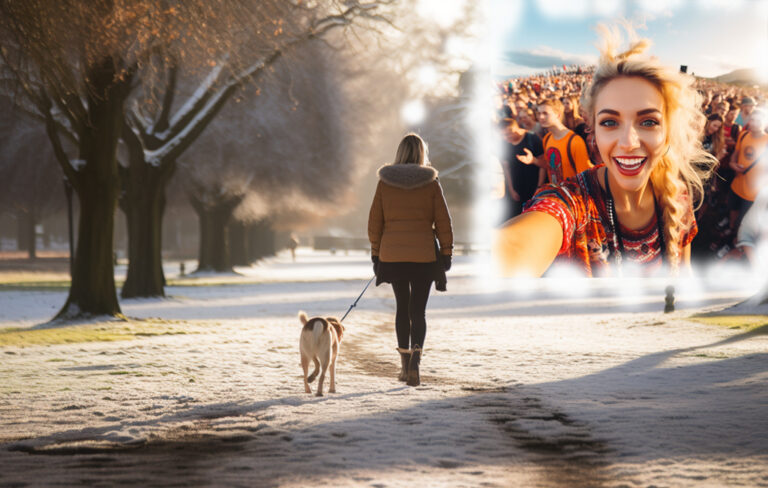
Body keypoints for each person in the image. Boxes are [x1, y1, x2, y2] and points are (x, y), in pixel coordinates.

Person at [494, 25, 716, 277]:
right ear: (593, 132)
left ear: (668, 132)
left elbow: (682, 277)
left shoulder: (678, 196)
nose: (629, 142)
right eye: (610, 122)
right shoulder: (573, 203)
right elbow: (514, 247)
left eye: (649, 122)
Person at [368, 133, 453, 386]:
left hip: (393, 255)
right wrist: (446, 252)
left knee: (402, 308)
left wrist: (376, 252)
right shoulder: (431, 183)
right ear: (421, 153)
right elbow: (444, 222)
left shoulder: (385, 184)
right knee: (418, 310)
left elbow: (375, 223)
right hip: (423, 256)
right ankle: (416, 361)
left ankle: (404, 365)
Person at [728, 108, 768, 235]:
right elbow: (736, 152)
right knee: (733, 210)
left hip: (754, 192)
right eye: (752, 119)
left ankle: (735, 239)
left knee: (744, 220)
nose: (754, 123)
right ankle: (730, 228)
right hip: (737, 184)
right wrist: (732, 163)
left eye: (758, 120)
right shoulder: (743, 134)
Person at [536, 98, 593, 185]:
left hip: (572, 195)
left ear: (558, 115)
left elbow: (585, 178)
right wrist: (533, 161)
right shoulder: (547, 139)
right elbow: (550, 166)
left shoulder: (575, 142)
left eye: (545, 113)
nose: (541, 117)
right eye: (539, 113)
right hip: (556, 193)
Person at [498, 117, 546, 222]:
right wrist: (511, 189)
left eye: (507, 134)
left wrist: (539, 187)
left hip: (533, 187)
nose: (506, 138)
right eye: (503, 136)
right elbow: (507, 169)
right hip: (517, 188)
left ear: (515, 129)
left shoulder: (532, 139)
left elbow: (543, 165)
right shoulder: (505, 144)